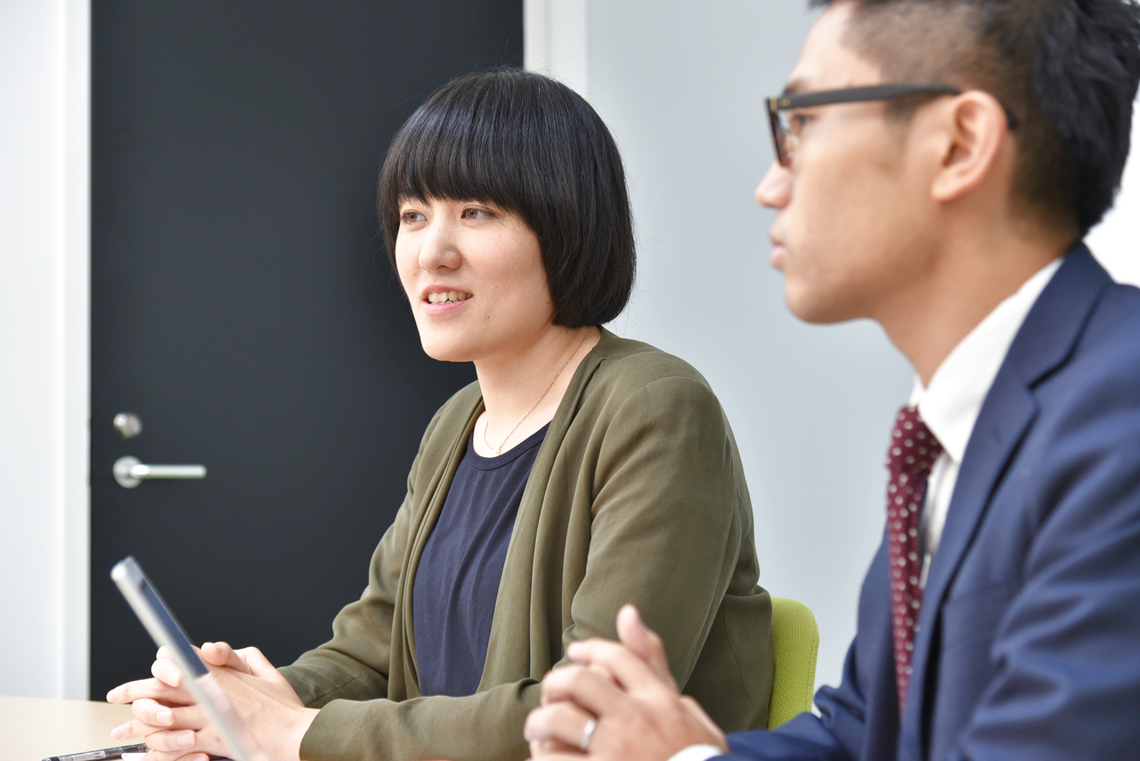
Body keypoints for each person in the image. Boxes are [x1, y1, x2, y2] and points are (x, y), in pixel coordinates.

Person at [524, 0, 1140, 759]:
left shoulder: (1120, 414)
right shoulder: (948, 436)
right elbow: (860, 733)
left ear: (958, 143)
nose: (769, 185)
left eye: (801, 121)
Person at [104, 69, 774, 761]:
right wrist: (237, 701)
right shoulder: (458, 422)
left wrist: (298, 731)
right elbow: (371, 651)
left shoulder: (656, 407)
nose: (431, 251)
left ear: (568, 224)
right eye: (414, 215)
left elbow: (585, 712)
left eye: (476, 212)